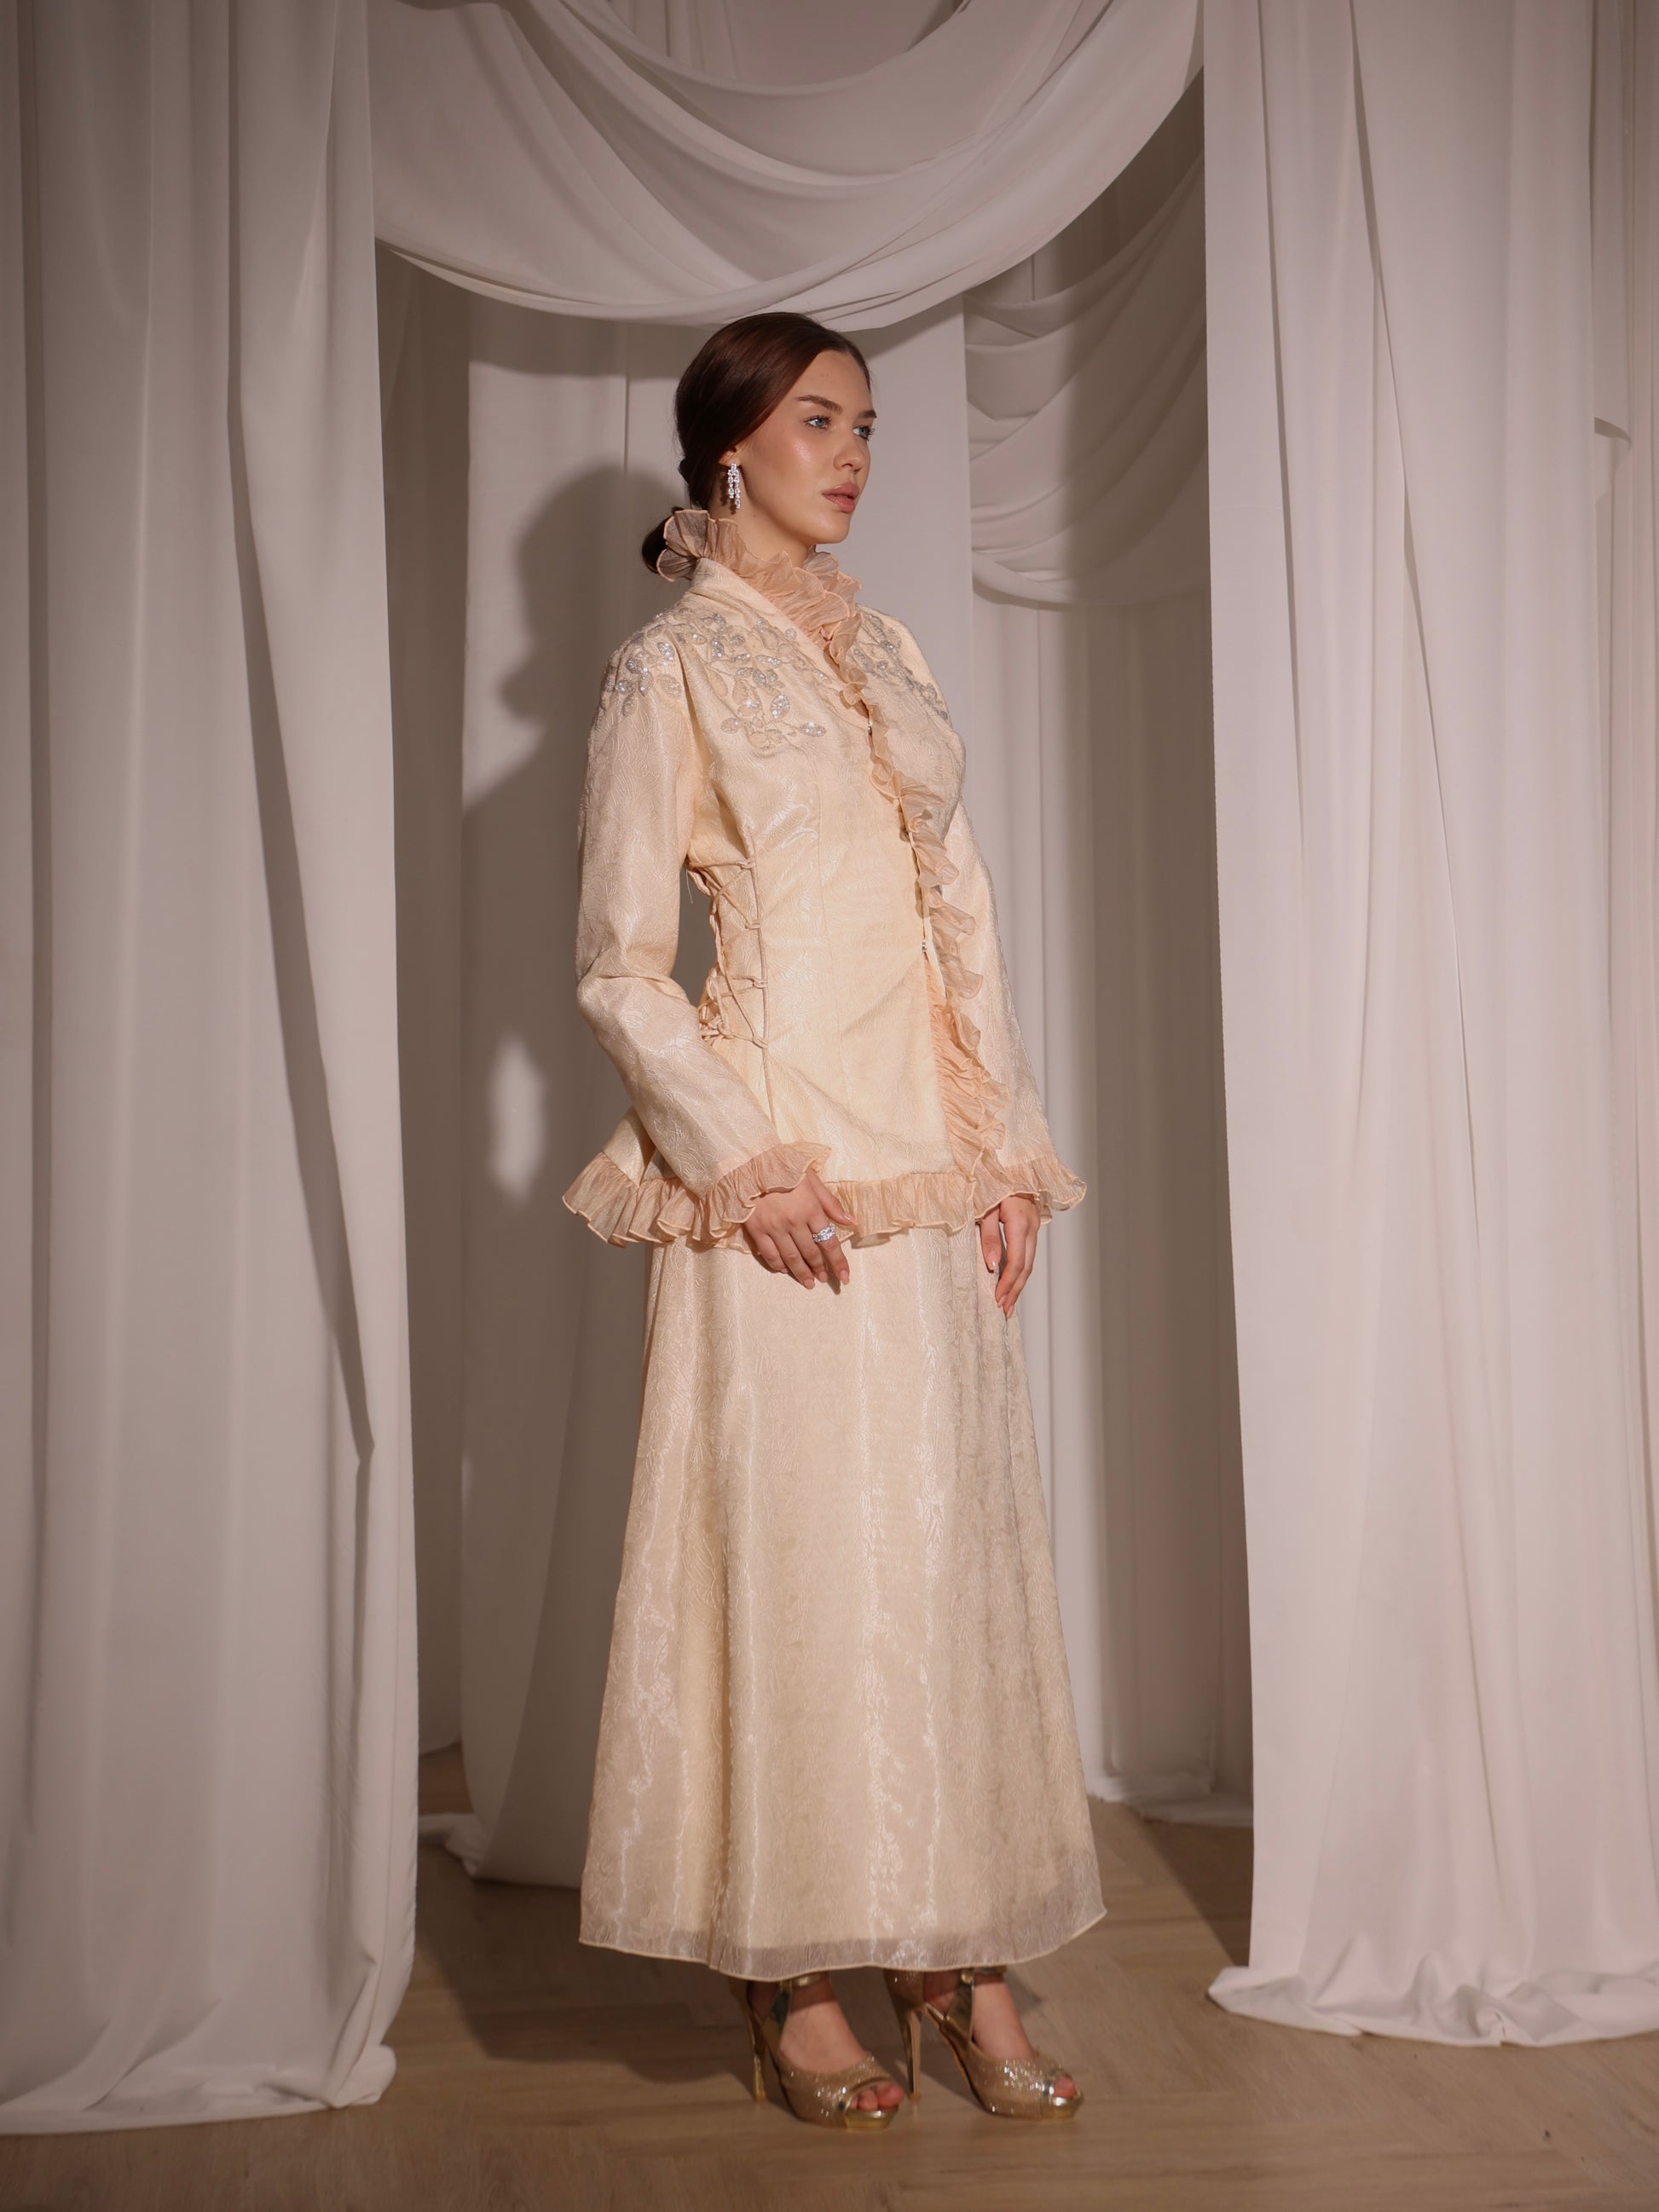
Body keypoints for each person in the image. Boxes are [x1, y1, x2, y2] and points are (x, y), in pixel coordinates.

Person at [563, 311, 1103, 2128]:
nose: (855, 453)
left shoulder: (891, 647)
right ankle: (791, 1969)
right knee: (793, 1559)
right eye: (819, 421)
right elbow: (618, 963)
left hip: (924, 1170)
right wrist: (742, 1159)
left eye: (866, 423)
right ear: (732, 444)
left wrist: (1005, 1151)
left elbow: (965, 908)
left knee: (937, 1561)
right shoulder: (668, 670)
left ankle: (951, 1946)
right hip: (783, 1178)